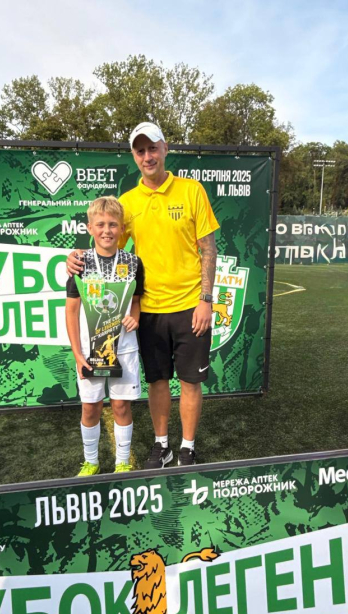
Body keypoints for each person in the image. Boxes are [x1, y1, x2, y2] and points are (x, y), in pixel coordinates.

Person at [67, 121, 219, 468]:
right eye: (140, 150)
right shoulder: (127, 203)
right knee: (157, 381)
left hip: (190, 305)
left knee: (191, 382)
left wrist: (205, 300)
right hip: (148, 309)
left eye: (153, 148)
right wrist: (74, 257)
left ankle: (187, 448)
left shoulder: (192, 190)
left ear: (165, 149)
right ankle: (162, 445)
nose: (147, 156)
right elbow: (106, 249)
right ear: (134, 156)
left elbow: (209, 249)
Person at [65, 196, 145, 476]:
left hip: (124, 347)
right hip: (90, 351)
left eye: (113, 224)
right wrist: (77, 354)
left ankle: (122, 462)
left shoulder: (133, 262)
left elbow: (136, 300)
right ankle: (91, 462)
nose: (107, 230)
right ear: (90, 228)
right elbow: (71, 310)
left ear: (122, 229)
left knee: (121, 406)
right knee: (90, 408)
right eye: (100, 224)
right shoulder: (80, 262)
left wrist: (135, 316)